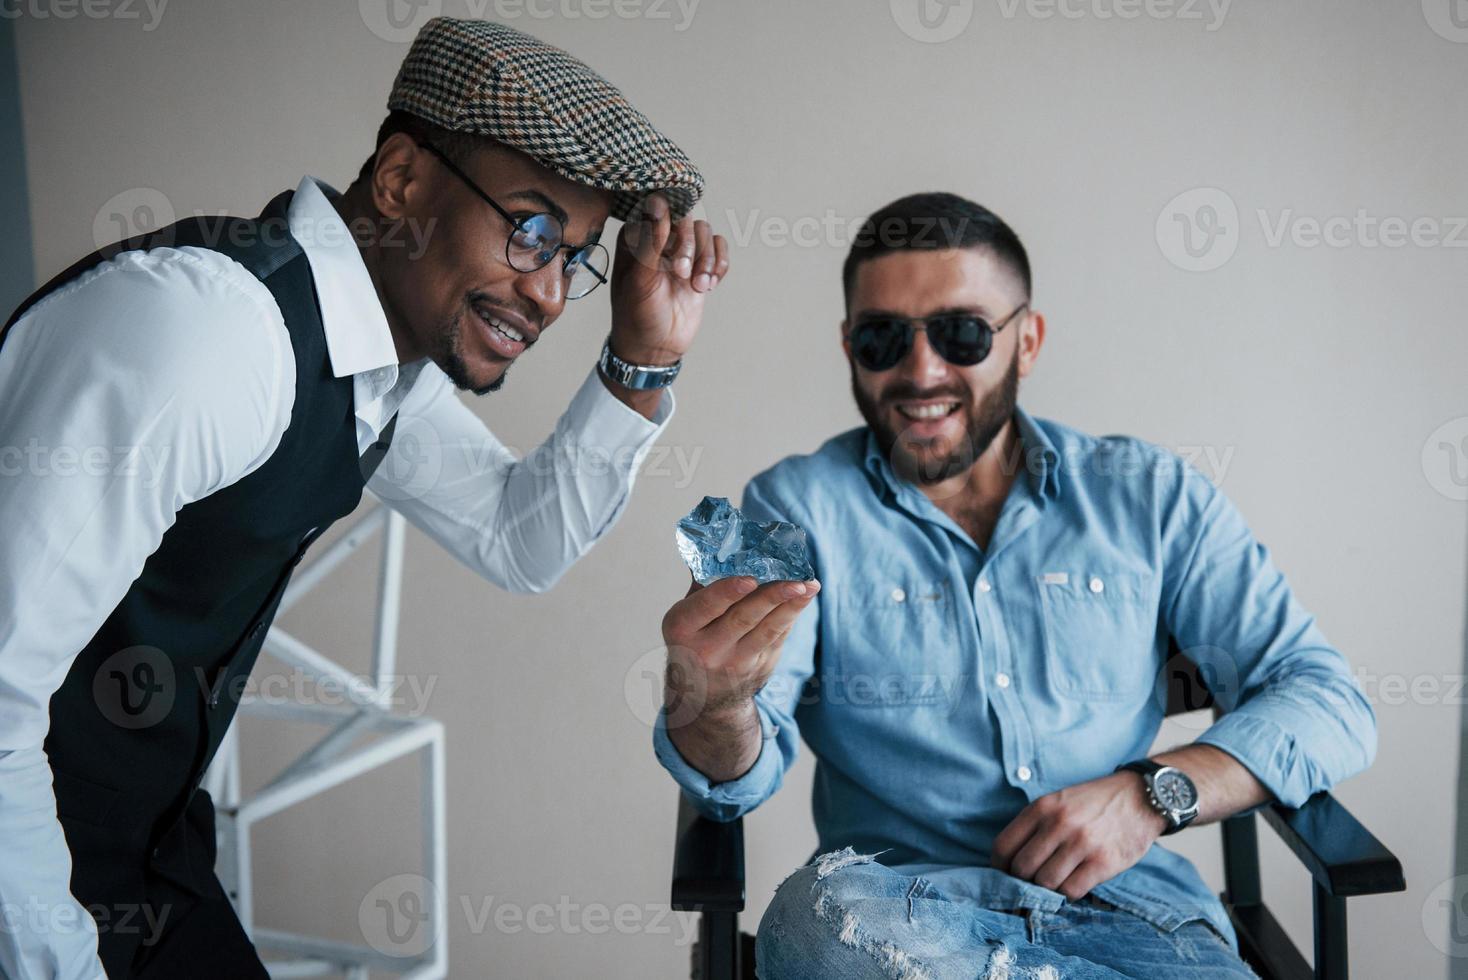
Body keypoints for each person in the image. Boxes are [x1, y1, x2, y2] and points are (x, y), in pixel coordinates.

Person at [0, 18, 727, 979]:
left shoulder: (379, 357)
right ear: (399, 179)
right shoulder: (211, 335)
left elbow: (518, 542)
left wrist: (644, 361)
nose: (551, 292)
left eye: (577, 256)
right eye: (531, 228)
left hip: (147, 854)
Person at [653, 192, 1374, 978]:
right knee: (810, 920)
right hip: (898, 925)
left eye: (962, 334)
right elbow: (734, 785)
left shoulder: (1152, 496)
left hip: (1138, 920)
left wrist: (1153, 791)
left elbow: (1329, 701)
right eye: (882, 338)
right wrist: (716, 703)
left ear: (1026, 341)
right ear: (848, 346)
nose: (921, 370)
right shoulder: (797, 510)